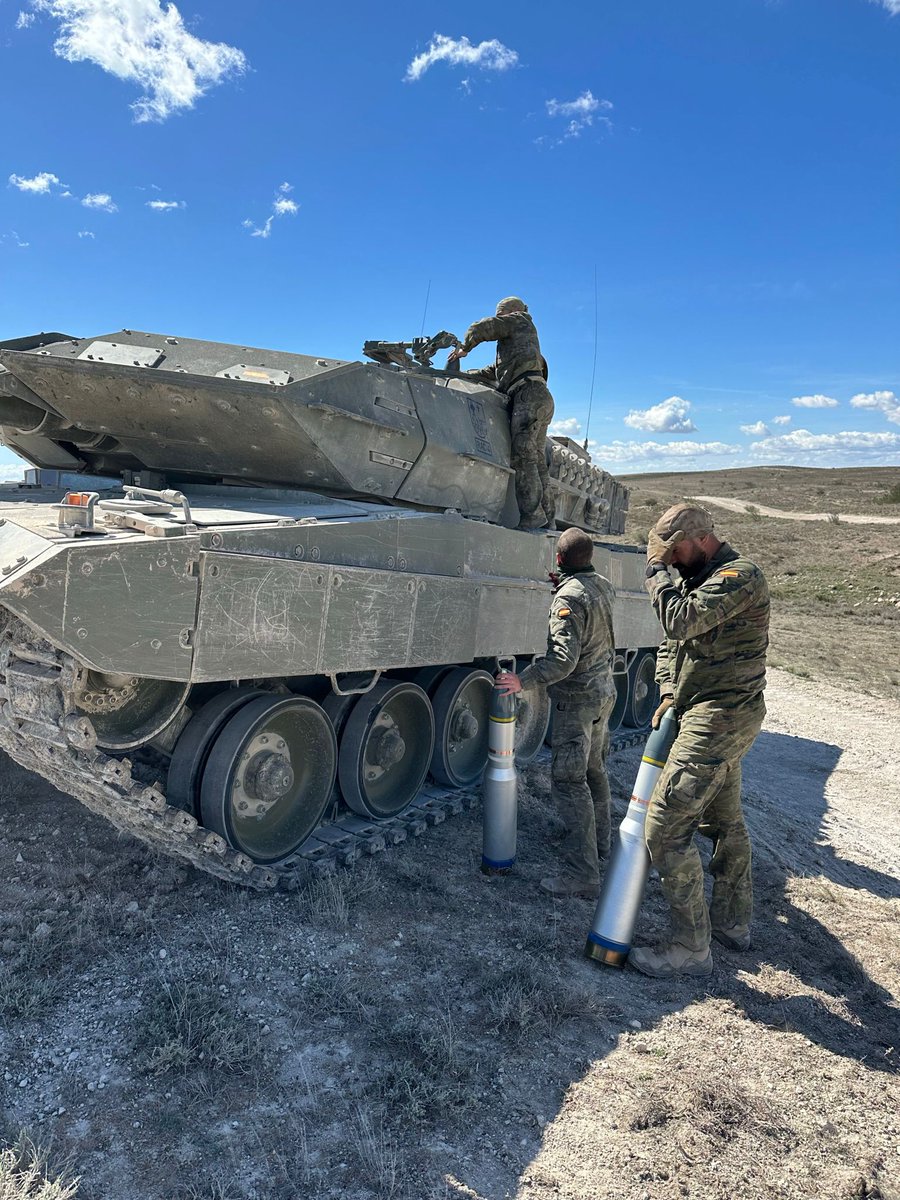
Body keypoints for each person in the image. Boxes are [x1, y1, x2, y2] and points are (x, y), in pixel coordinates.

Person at [629, 503, 770, 979]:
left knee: (665, 827)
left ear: (700, 538)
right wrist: (669, 689)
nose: (668, 560)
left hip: (722, 717)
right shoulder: (696, 578)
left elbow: (681, 622)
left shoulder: (740, 576)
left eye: (674, 551)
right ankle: (733, 924)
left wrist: (655, 574)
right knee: (723, 821)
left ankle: (691, 946)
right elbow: (672, 644)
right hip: (701, 712)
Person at [496, 527, 616, 898]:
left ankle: (583, 874)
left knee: (569, 781)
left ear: (559, 559)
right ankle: (600, 848)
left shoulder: (569, 597)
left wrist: (523, 681)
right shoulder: (601, 584)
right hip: (603, 694)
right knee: (594, 772)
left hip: (577, 701)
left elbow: (562, 661)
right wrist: (567, 582)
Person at [447, 297, 555, 530]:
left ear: (513, 311)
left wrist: (464, 348)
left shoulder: (520, 321)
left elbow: (481, 328)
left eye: (501, 314)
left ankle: (532, 516)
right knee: (536, 462)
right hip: (538, 396)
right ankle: (548, 519)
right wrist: (459, 371)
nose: (499, 319)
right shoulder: (521, 348)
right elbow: (489, 373)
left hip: (527, 396)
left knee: (523, 457)